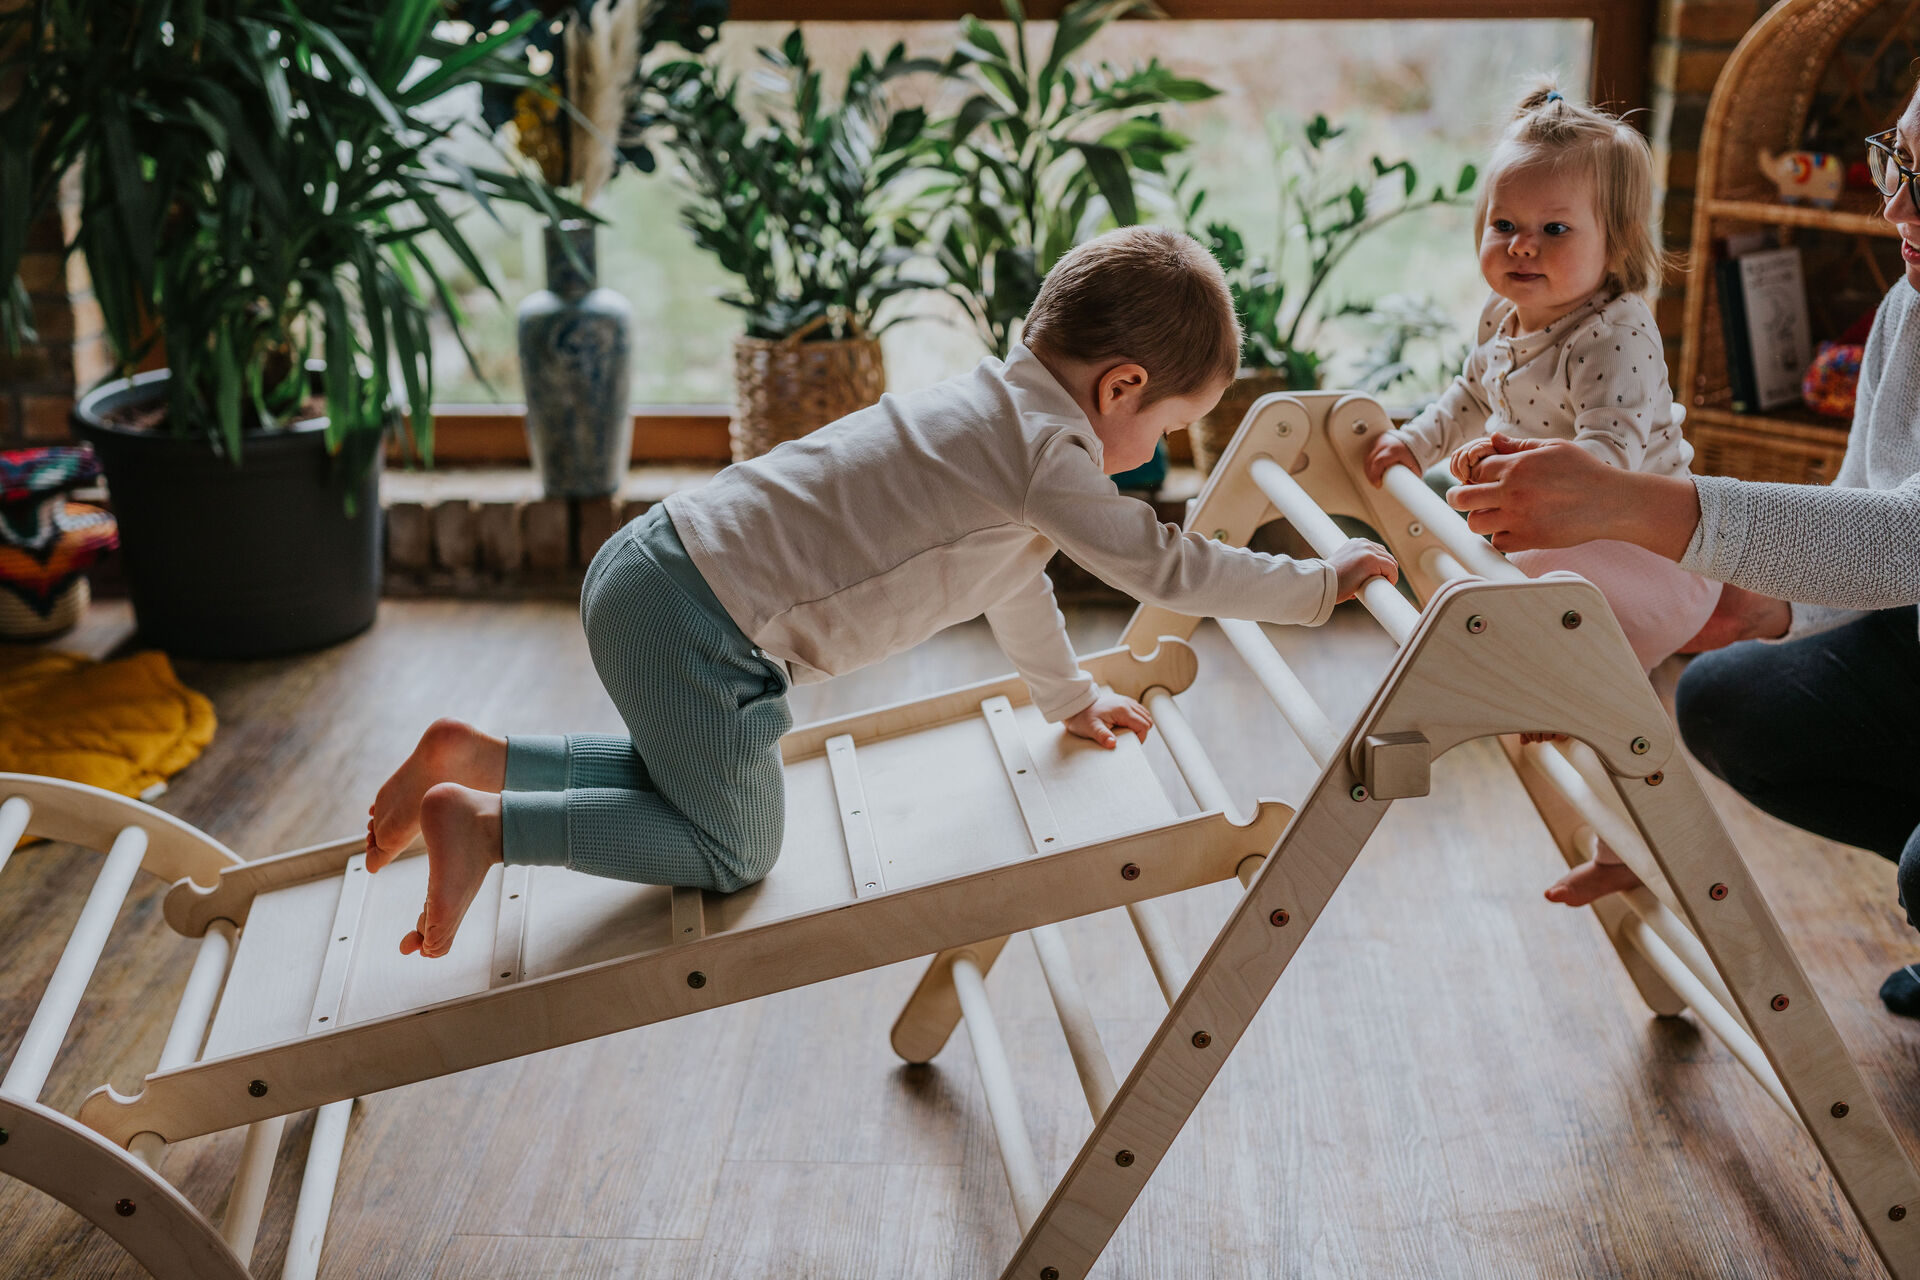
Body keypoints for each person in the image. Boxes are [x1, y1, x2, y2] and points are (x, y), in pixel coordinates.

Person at [365, 226, 1400, 959]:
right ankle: (492, 823)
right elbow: (1165, 564)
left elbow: (1017, 581)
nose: (1159, 448)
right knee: (734, 846)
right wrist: (1317, 584)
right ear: (1120, 385)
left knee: (691, 769)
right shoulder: (1050, 451)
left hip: (655, 565)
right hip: (700, 621)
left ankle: (478, 755)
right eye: (1170, 425)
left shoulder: (994, 413)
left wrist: (1070, 697)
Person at [1443, 86, 1920, 1015]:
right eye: (1896, 162)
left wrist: (1629, 503)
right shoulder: (1913, 299)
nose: (1893, 206)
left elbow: (1912, 541)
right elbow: (1868, 505)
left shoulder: (1611, 333)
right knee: (1723, 697)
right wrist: (1757, 605)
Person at [1361, 80, 1722, 905]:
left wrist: (1524, 470)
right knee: (1519, 621)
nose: (1522, 248)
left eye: (1554, 230)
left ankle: (1634, 829)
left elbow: (1608, 456)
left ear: (1616, 241)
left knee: (1597, 690)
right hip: (1562, 534)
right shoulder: (1502, 316)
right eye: (1505, 227)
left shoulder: (1615, 331)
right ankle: (1611, 817)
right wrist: (1415, 441)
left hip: (1645, 550)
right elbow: (1468, 394)